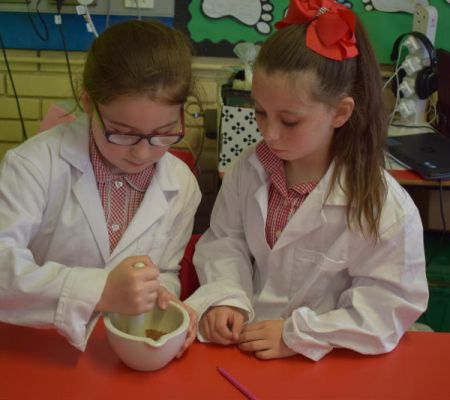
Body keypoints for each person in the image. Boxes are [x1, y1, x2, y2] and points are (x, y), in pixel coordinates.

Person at [186, 0, 429, 361]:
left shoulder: (385, 206)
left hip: (328, 359)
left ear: (340, 112)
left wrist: (299, 334)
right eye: (260, 112)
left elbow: (387, 308)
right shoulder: (249, 170)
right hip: (248, 346)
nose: (268, 133)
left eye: (289, 121)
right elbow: (225, 241)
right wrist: (227, 298)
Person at [0, 20, 201, 355]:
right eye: (123, 133)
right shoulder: (34, 165)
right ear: (89, 103)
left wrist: (162, 296)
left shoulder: (182, 184)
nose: (142, 153)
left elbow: (165, 270)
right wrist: (99, 291)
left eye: (164, 133)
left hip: (118, 353)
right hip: (33, 346)